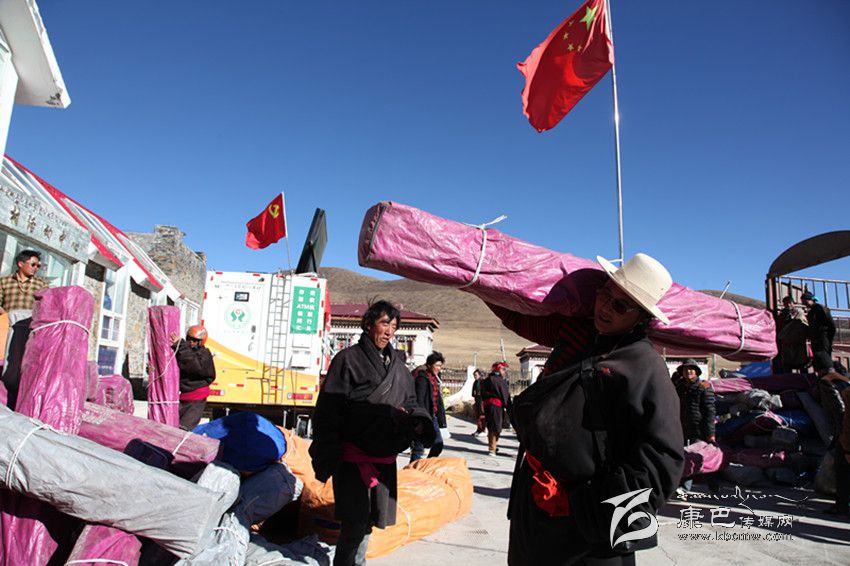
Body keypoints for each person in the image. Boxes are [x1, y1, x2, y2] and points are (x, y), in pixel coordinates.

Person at [507, 253, 684, 565]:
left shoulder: (644, 366)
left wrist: (584, 506)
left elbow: (662, 461)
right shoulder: (583, 342)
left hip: (587, 537)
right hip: (536, 510)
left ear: (641, 317)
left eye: (620, 306)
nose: (605, 307)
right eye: (605, 294)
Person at [309, 300, 433, 566]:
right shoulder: (347, 360)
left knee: (368, 522)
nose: (390, 331)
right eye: (385, 323)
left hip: (384, 458)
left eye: (394, 326)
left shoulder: (398, 367)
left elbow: (411, 402)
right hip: (353, 458)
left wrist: (421, 422)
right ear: (368, 324)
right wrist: (326, 449)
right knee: (354, 523)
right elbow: (329, 409)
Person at [0, 250, 50, 409]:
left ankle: (21, 401)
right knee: (6, 363)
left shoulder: (41, 285)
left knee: (25, 365)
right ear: (20, 264)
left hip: (29, 332)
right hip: (7, 330)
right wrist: (8, 316)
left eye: (38, 266)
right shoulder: (4, 282)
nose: (36, 268)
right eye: (33, 264)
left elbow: (47, 307)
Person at [673, 359, 717, 494]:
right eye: (685, 369)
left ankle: (712, 486)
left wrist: (710, 434)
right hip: (683, 428)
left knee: (700, 458)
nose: (688, 372)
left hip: (699, 430)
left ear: (696, 371)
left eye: (691, 369)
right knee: (686, 457)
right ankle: (685, 488)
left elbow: (710, 412)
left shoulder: (704, 387)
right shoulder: (679, 387)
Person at [815, 355, 850, 517]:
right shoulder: (844, 380)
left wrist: (841, 438)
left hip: (844, 433)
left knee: (842, 470)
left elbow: (840, 411)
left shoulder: (827, 383)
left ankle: (842, 506)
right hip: (843, 432)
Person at [170, 325, 216, 431]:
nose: (191, 342)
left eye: (195, 340)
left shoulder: (204, 354)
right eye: (189, 339)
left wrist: (181, 346)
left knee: (184, 428)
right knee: (173, 425)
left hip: (197, 397)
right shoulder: (185, 351)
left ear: (201, 342)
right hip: (184, 395)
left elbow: (192, 365)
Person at [410, 351, 447, 462]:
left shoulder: (434, 378)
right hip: (423, 417)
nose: (439, 368)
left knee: (438, 444)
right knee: (418, 449)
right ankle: (412, 470)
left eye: (440, 366)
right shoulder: (422, 378)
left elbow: (437, 399)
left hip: (432, 416)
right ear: (429, 365)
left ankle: (425, 466)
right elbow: (420, 400)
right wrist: (420, 420)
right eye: (437, 365)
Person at [480, 361, 512, 456]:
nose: (504, 371)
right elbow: (505, 394)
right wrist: (509, 406)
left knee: (491, 426)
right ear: (498, 369)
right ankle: (492, 449)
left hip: (487, 406)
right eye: (503, 369)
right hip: (496, 406)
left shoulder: (486, 380)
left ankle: (493, 446)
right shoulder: (499, 380)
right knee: (496, 427)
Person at [802, 291, 836, 373]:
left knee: (825, 359)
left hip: (823, 338)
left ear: (811, 300)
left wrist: (829, 338)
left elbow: (831, 325)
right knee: (818, 359)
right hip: (815, 339)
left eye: (805, 301)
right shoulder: (811, 312)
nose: (804, 303)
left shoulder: (820, 309)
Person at [775, 300, 809, 373]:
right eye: (786, 303)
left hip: (798, 342)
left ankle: (805, 378)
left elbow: (803, 323)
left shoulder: (799, 312)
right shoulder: (783, 314)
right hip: (786, 342)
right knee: (787, 364)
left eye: (790, 303)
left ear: (793, 303)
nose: (788, 305)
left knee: (801, 363)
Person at [470, 368, 486, 437]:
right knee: (477, 416)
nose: (475, 376)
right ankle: (479, 429)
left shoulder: (482, 382)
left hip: (481, 400)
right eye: (474, 375)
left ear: (479, 375)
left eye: (476, 375)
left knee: (482, 415)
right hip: (477, 400)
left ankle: (483, 430)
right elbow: (473, 393)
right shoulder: (475, 382)